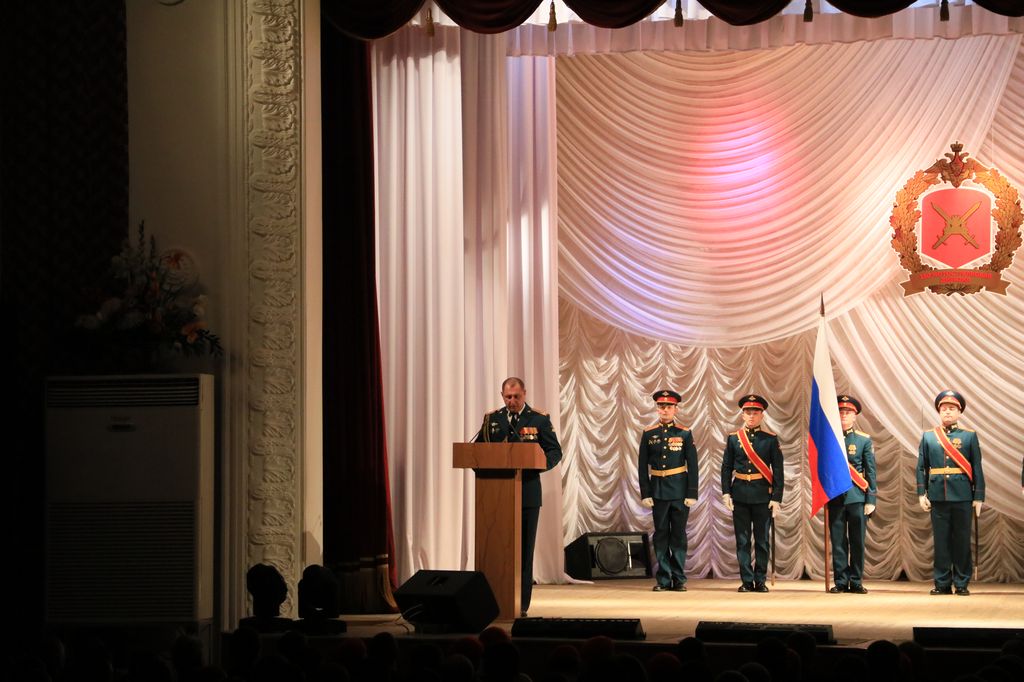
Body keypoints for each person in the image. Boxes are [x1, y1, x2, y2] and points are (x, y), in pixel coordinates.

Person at [474, 377, 562, 616]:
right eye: (508, 397)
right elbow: (478, 451)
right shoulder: (492, 419)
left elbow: (555, 451)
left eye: (516, 396)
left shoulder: (539, 419)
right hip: (495, 496)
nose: (512, 401)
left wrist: (537, 465)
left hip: (527, 495)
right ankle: (494, 602)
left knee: (523, 553)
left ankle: (520, 605)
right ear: (502, 396)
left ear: (524, 394)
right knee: (495, 551)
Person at [916, 389, 985, 596]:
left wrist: (978, 496)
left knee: (962, 541)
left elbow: (977, 467)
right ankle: (942, 583)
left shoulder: (969, 436)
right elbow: (922, 467)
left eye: (952, 408)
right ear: (939, 411)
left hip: (963, 496)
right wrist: (921, 493)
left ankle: (962, 583)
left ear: (959, 412)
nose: (947, 412)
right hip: (938, 495)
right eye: (944, 408)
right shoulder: (929, 437)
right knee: (941, 542)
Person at [721, 394, 784, 593]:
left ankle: (760, 580)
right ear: (742, 415)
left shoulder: (770, 439)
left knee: (762, 541)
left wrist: (776, 498)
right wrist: (726, 493)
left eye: (755, 412)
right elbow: (726, 467)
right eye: (748, 412)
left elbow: (778, 470)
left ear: (762, 415)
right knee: (742, 540)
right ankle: (747, 580)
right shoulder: (734, 438)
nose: (751, 416)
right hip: (740, 494)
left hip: (762, 496)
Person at [638, 389, 699, 592]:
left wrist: (692, 493)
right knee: (661, 534)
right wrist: (646, 492)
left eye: (669, 407)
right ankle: (664, 579)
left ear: (676, 409)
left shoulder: (684, 433)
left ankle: (679, 578)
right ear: (657, 409)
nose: (665, 410)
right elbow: (642, 466)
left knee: (678, 536)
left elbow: (693, 465)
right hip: (658, 491)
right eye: (661, 406)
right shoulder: (649, 434)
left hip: (680, 491)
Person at [827, 395, 876, 594]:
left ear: (855, 416)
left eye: (848, 412)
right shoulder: (828, 440)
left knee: (857, 541)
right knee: (838, 542)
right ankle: (840, 581)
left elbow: (870, 471)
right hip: (835, 497)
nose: (844, 415)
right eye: (840, 412)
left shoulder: (863, 440)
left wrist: (871, 499)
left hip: (857, 497)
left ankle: (856, 581)